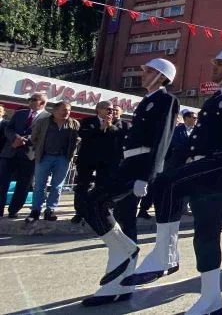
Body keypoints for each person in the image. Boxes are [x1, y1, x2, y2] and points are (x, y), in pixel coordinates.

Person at [124, 49, 222, 315]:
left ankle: (166, 254)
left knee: (168, 185)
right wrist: (175, 166)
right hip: (201, 171)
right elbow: (192, 141)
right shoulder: (211, 102)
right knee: (205, 235)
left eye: (220, 64)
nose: (215, 68)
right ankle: (211, 298)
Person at [78, 58, 179, 307]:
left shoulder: (167, 100)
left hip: (140, 168)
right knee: (111, 214)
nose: (143, 74)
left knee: (93, 202)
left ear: (162, 75)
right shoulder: (146, 101)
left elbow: (162, 139)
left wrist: (147, 176)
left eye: (149, 71)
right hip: (128, 165)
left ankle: (125, 255)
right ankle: (121, 282)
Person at [72, 102, 134, 237]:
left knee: (104, 186)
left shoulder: (122, 125)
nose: (111, 112)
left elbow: (123, 139)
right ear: (98, 110)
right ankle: (80, 212)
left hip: (109, 163)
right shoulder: (88, 121)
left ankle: (101, 211)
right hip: (88, 160)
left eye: (112, 110)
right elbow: (84, 135)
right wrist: (100, 128)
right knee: (83, 185)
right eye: (108, 109)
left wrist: (111, 127)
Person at [25, 101, 81, 222]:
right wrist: (39, 149)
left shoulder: (74, 123)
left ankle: (50, 210)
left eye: (69, 110)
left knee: (57, 186)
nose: (67, 112)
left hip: (63, 158)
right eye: (64, 110)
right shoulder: (43, 122)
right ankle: (35, 211)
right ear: (55, 111)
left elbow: (76, 140)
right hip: (44, 157)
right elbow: (34, 138)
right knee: (39, 185)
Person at [0, 93, 48, 218]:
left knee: (24, 184)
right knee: (2, 182)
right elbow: (8, 129)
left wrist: (26, 139)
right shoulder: (20, 113)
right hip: (10, 152)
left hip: (29, 155)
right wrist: (15, 138)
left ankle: (13, 210)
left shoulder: (48, 118)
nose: (30, 101)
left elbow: (45, 136)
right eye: (29, 99)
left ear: (42, 103)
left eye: (33, 99)